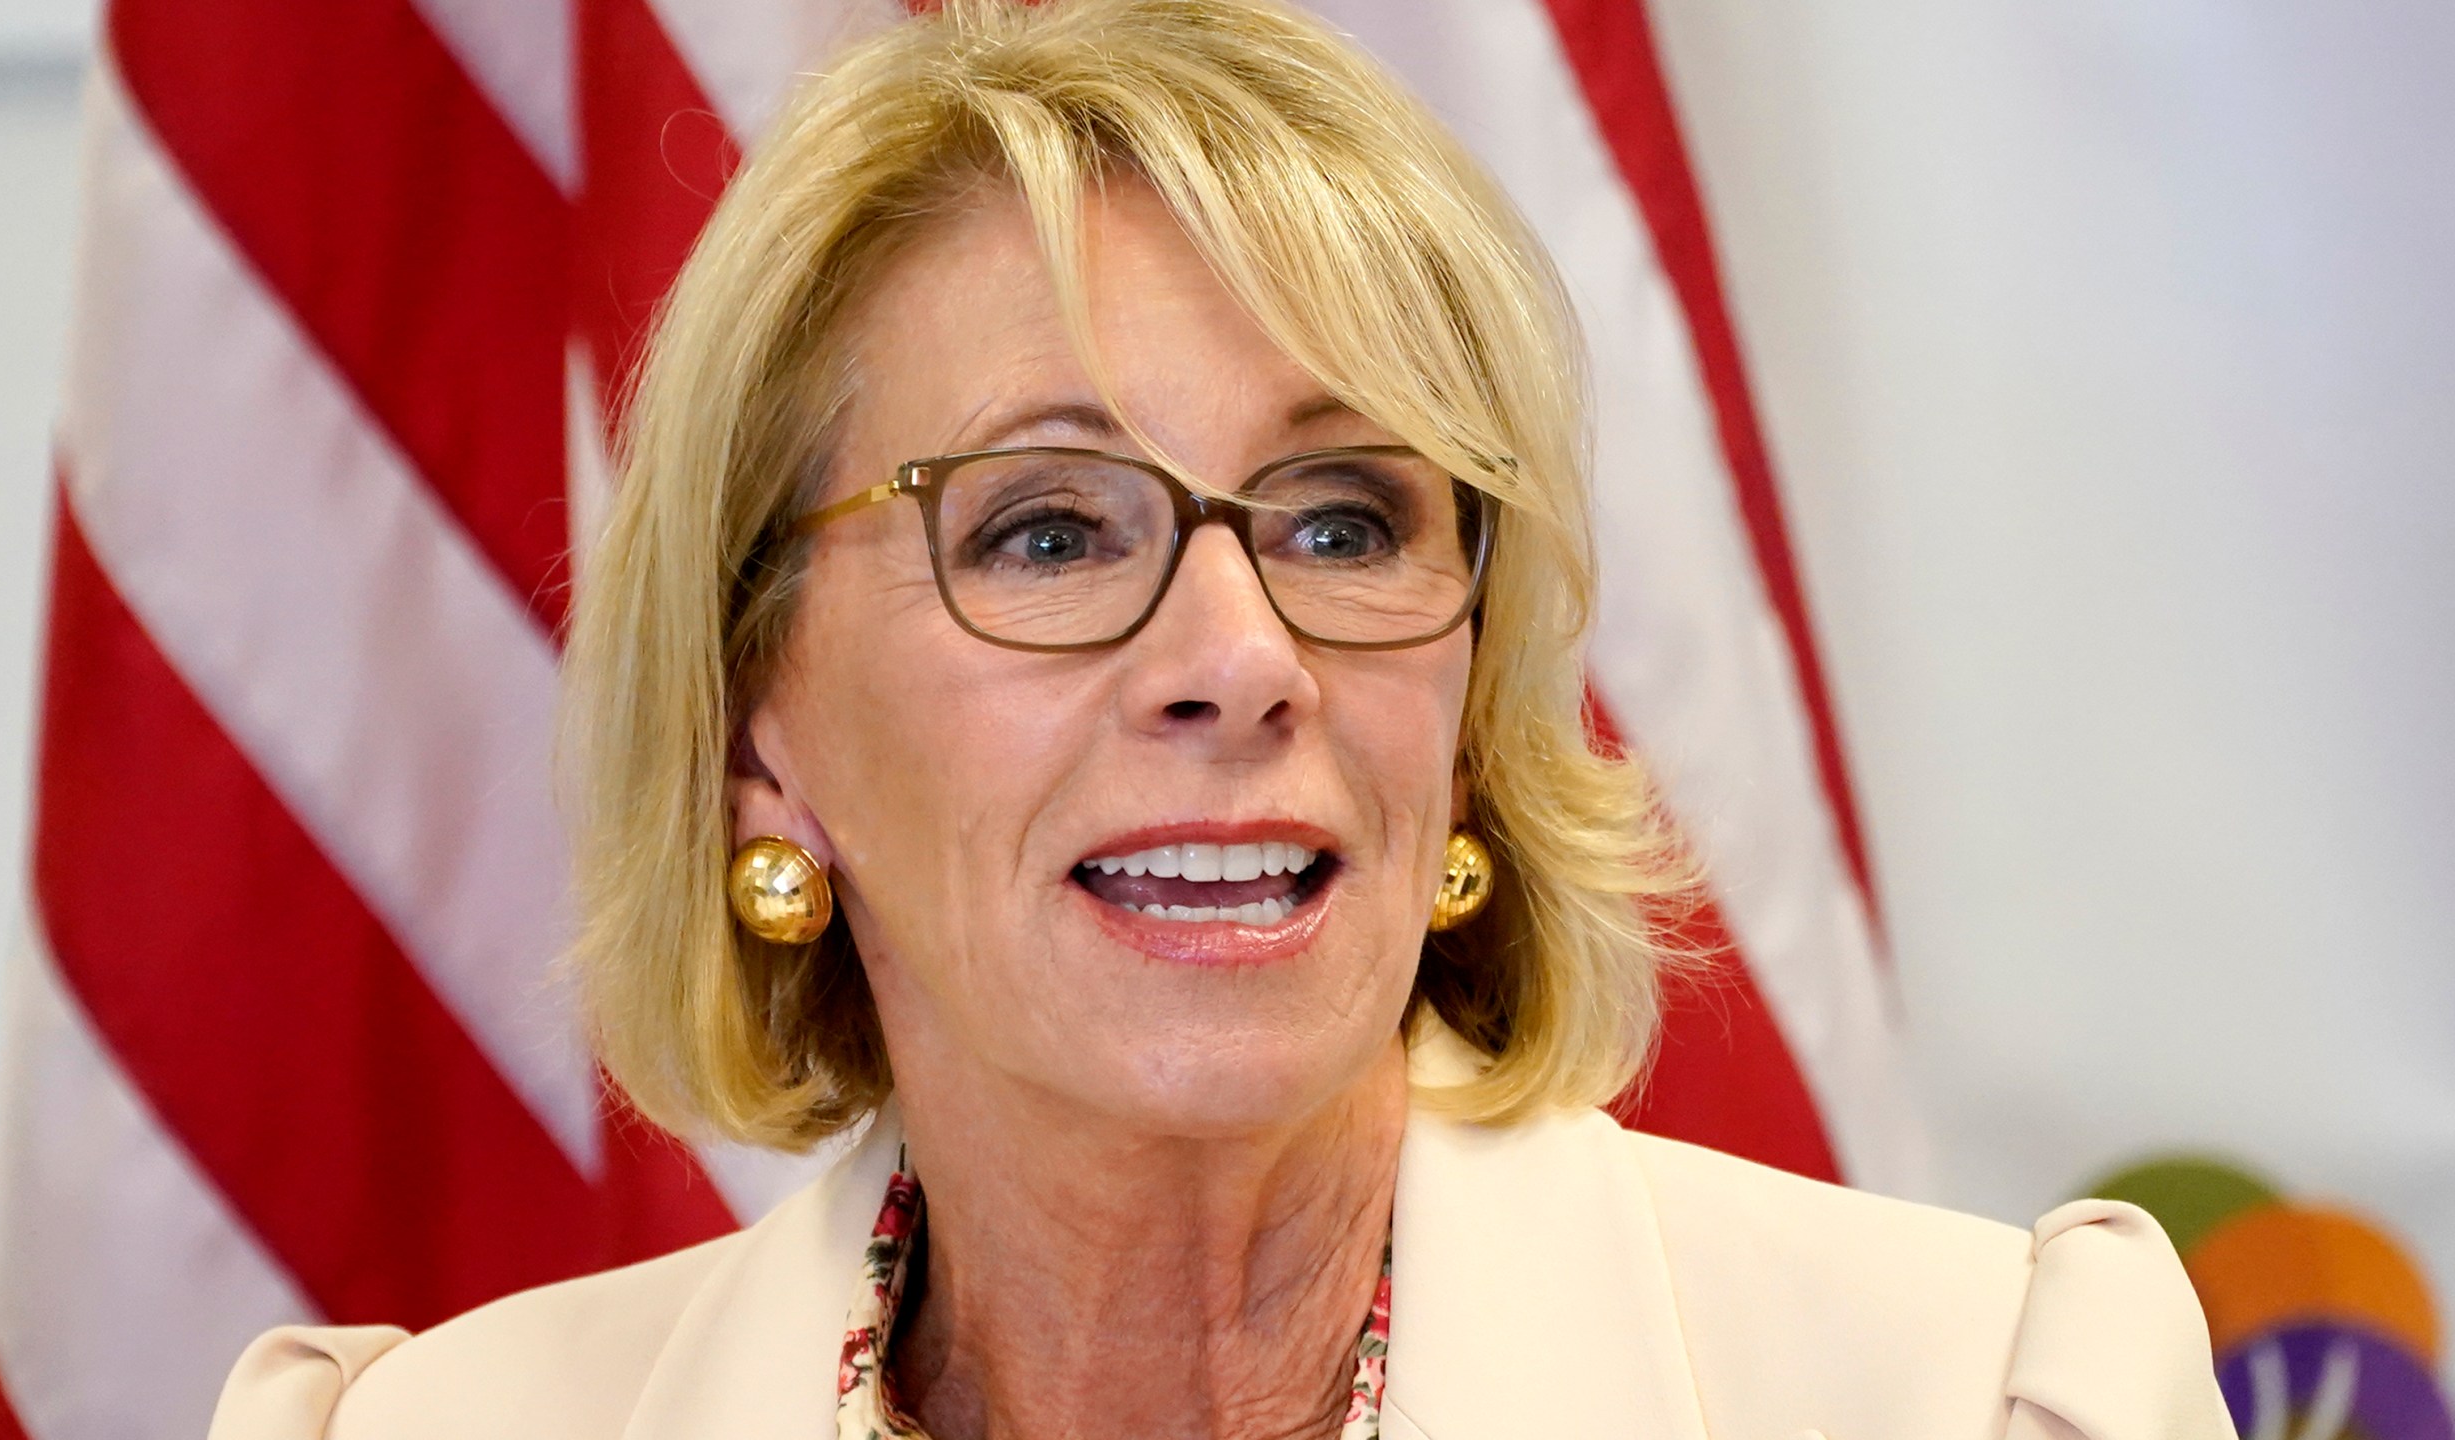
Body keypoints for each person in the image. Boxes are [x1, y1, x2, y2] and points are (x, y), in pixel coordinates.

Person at [210, 1, 2236, 1437]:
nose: (1236, 653)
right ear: (767, 737)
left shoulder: (1974, 1399)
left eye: (1344, 516)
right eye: (1044, 531)